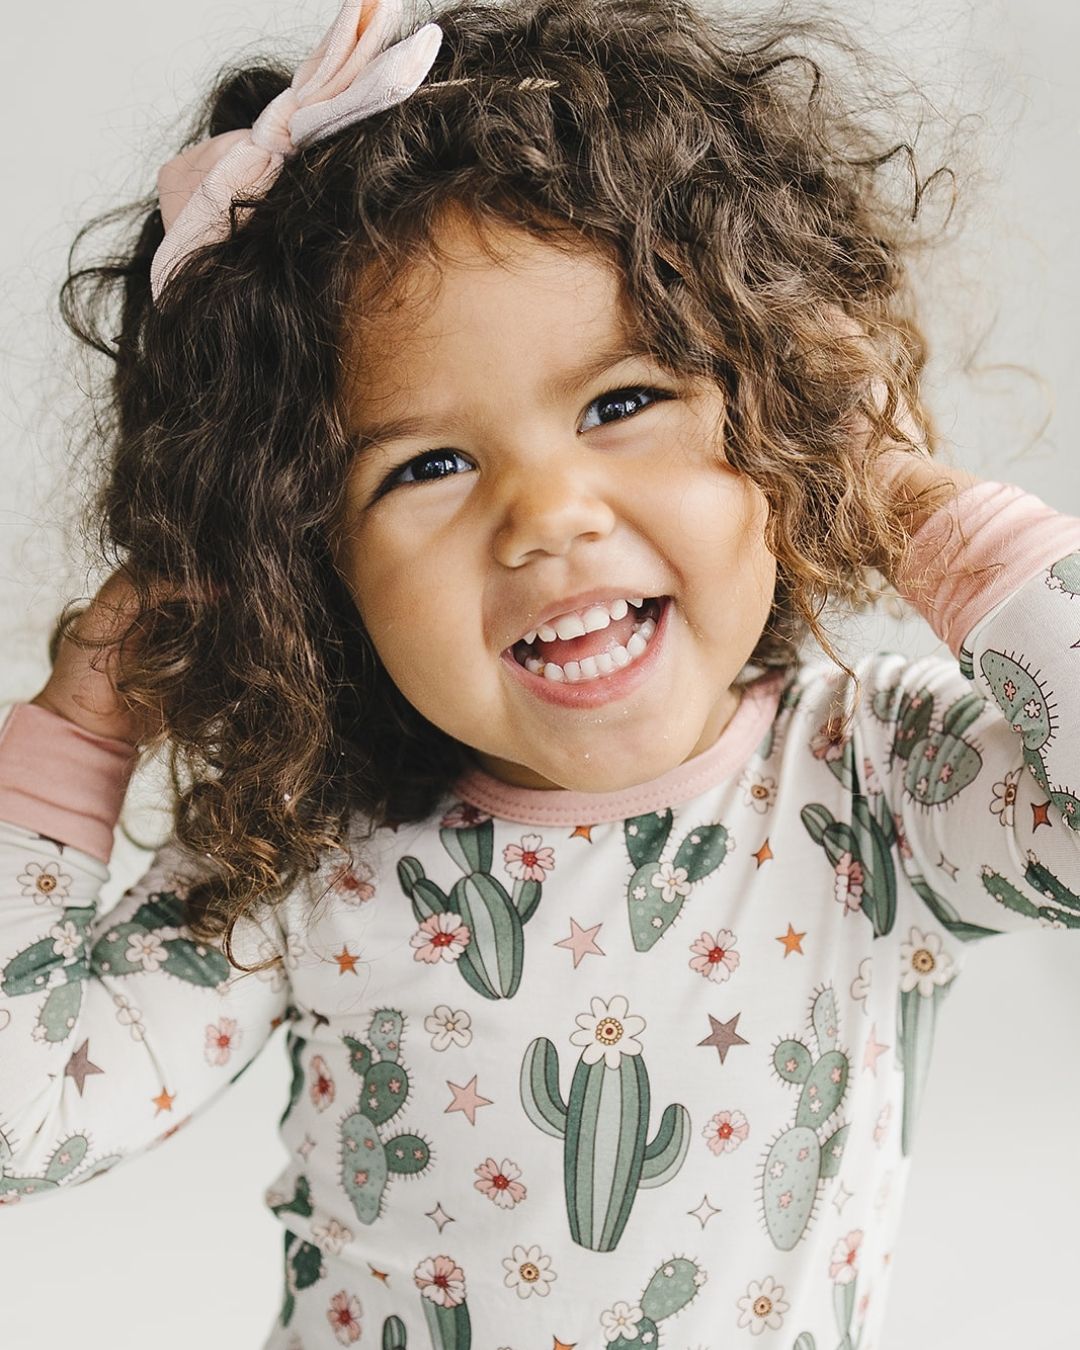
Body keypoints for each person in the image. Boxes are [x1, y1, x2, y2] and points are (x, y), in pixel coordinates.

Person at [1, 0, 1077, 1344]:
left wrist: (928, 515)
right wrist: (77, 728)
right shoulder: (308, 855)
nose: (546, 514)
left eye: (622, 403)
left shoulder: (868, 785)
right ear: (302, 565)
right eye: (427, 466)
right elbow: (18, 1120)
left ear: (781, 414)